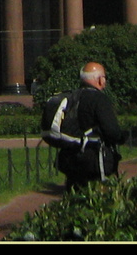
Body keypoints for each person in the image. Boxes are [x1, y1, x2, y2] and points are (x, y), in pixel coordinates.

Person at [52, 62, 122, 191]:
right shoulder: (99, 99)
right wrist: (122, 137)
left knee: (73, 195)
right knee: (95, 199)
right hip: (93, 160)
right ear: (99, 79)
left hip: (69, 157)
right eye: (104, 77)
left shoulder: (72, 97)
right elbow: (111, 131)